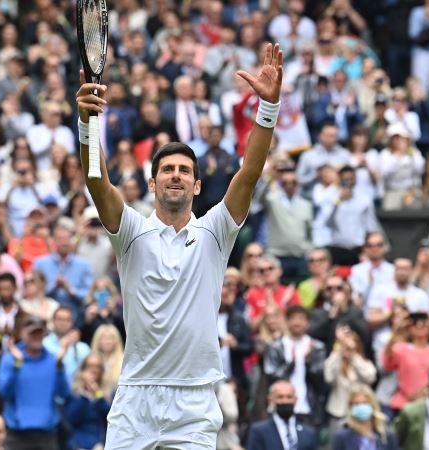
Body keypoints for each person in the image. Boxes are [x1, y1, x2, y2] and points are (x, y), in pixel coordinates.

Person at [76, 42, 284, 448]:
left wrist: (268, 109)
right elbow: (96, 181)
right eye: (167, 169)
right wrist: (88, 125)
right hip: (135, 396)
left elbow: (250, 172)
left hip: (194, 401)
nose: (176, 175)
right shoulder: (131, 231)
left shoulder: (215, 232)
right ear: (152, 184)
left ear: (197, 184)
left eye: (185, 170)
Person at [0, 316, 70, 450]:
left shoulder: (54, 360)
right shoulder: (10, 359)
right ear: (22, 334)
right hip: (17, 435)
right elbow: (4, 393)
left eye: (39, 333)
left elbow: (63, 393)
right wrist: (17, 364)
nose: (36, 337)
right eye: (32, 333)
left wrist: (59, 367)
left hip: (46, 435)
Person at [245, 380, 318, 450]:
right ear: (270, 400)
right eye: (280, 397)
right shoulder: (259, 431)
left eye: (289, 397)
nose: (285, 401)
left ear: (296, 400)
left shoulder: (308, 433)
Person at [64, 354, 112, 450]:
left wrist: (97, 394)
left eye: (97, 367)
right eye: (90, 366)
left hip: (100, 442)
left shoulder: (108, 392)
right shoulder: (74, 392)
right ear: (83, 370)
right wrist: (84, 395)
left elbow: (109, 417)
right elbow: (71, 419)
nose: (93, 370)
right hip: (77, 442)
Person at [331, 383, 400, 450]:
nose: (361, 407)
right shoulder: (341, 436)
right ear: (350, 407)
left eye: (365, 403)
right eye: (356, 404)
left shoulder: (387, 436)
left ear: (373, 405)